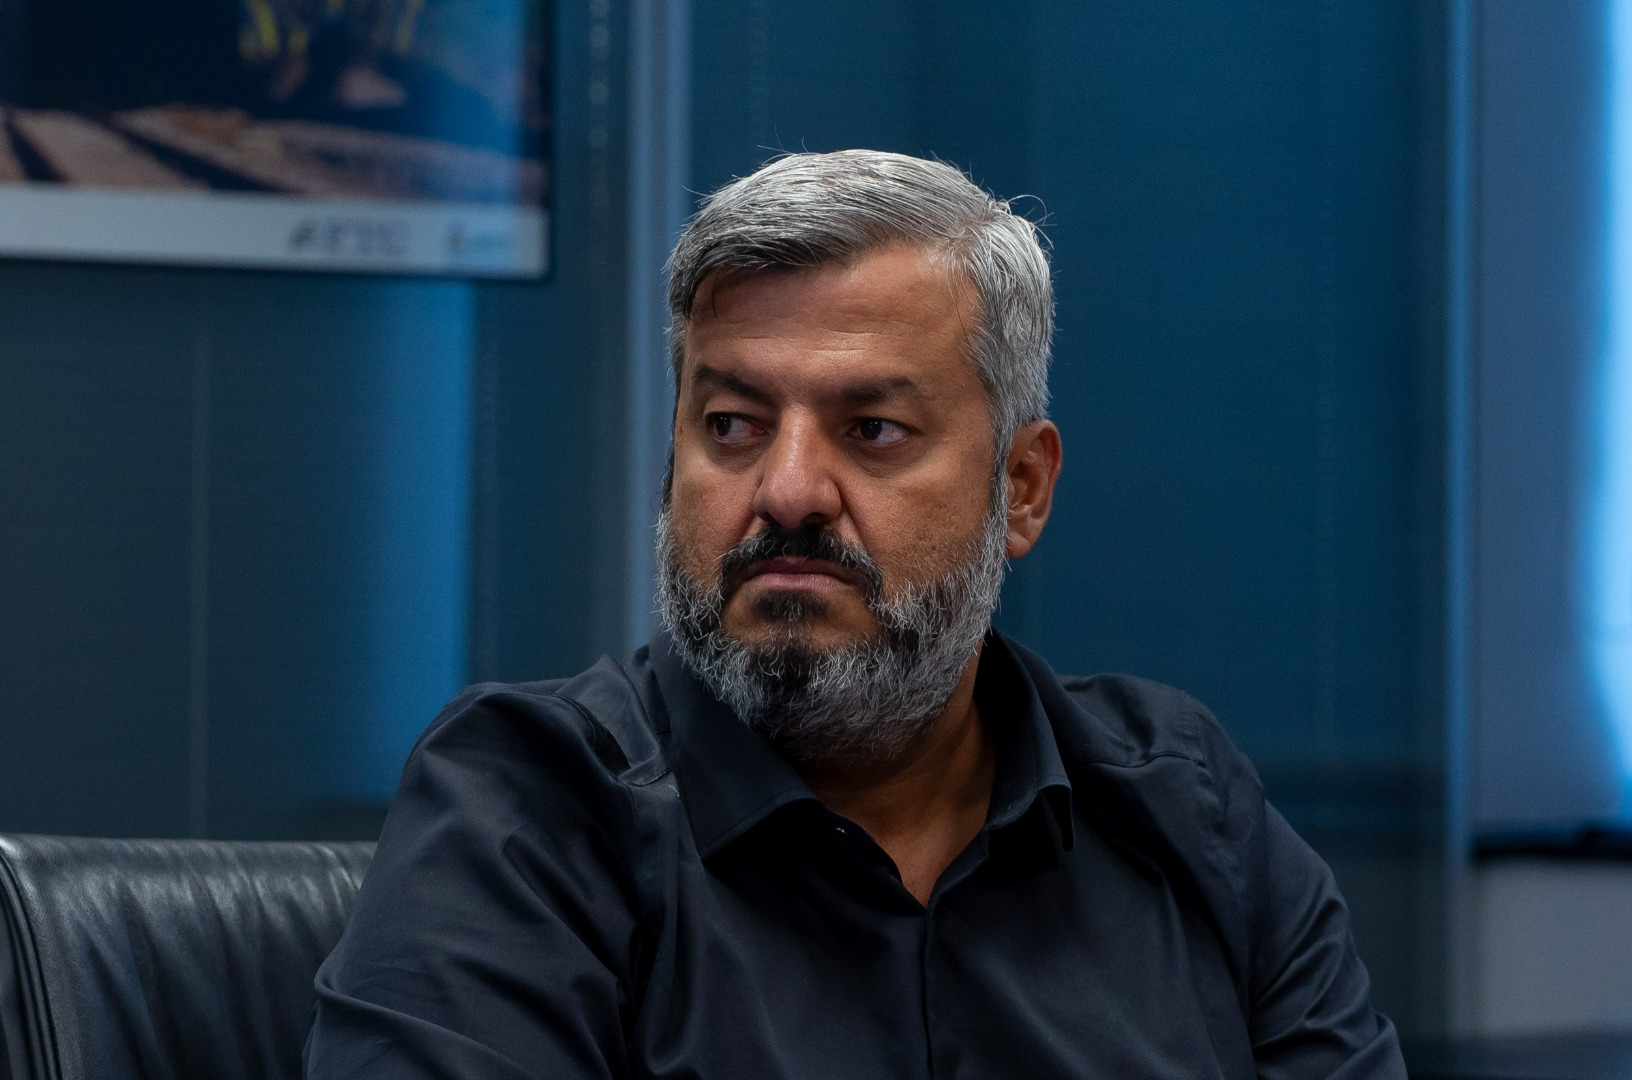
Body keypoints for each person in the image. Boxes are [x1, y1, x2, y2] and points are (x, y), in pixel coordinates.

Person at [306, 149, 1406, 1079]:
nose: (786, 491)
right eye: (731, 424)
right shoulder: (531, 805)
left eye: (872, 430)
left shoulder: (1180, 803)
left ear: (1021, 489)